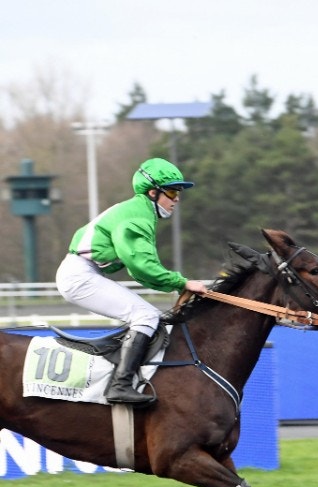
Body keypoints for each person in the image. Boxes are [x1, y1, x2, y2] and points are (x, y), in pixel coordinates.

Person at [55, 157, 209, 405]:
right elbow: (142, 266)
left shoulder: (138, 210)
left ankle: (126, 375)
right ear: (153, 193)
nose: (177, 199)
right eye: (172, 192)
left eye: (178, 193)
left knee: (149, 316)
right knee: (146, 316)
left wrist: (175, 283)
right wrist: (183, 283)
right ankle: (120, 385)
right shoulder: (138, 217)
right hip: (80, 275)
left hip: (83, 272)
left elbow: (138, 269)